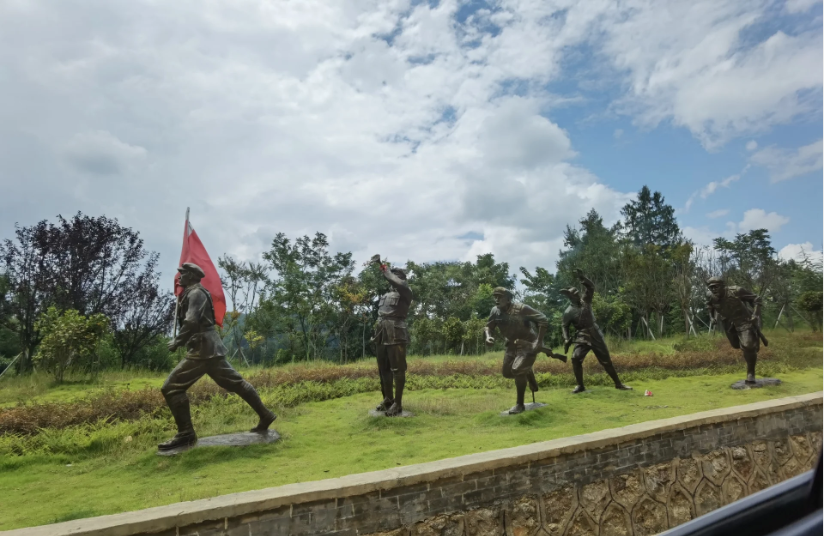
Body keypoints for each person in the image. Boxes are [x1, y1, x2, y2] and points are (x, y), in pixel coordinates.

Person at [159, 262, 276, 451]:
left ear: (191, 276)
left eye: (182, 274)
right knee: (235, 382)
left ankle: (186, 434)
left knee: (171, 388)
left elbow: (190, 321)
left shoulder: (196, 293)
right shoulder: (193, 292)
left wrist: (177, 342)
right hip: (207, 348)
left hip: (202, 351)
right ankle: (265, 414)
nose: (179, 277)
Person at [561, 269, 631, 394]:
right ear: (570, 297)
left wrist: (583, 278)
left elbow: (591, 287)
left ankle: (618, 384)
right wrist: (566, 339)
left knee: (606, 360)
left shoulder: (586, 300)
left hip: (595, 333)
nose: (578, 295)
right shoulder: (568, 312)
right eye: (575, 295)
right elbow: (564, 326)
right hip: (582, 336)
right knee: (575, 358)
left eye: (578, 293)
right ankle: (580, 385)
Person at [484, 287, 548, 414]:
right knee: (507, 373)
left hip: (528, 344)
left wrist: (538, 342)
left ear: (508, 298)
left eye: (500, 297)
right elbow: (488, 326)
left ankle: (520, 404)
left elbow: (543, 319)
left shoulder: (522, 309)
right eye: (495, 297)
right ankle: (528, 372)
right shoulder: (495, 311)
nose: (496, 299)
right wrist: (488, 336)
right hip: (511, 344)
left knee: (517, 370)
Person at [369, 255, 413, 417]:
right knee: (383, 368)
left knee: (397, 369)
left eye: (396, 277)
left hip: (396, 331)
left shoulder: (405, 292)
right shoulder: (386, 295)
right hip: (382, 331)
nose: (392, 280)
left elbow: (397, 282)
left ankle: (398, 404)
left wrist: (382, 266)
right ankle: (388, 399)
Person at [706, 276, 765, 385]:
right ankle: (752, 344)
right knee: (736, 345)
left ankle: (750, 373)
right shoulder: (710, 295)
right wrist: (711, 317)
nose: (713, 289)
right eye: (711, 287)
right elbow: (709, 305)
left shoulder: (737, 291)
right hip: (728, 323)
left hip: (744, 320)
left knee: (748, 346)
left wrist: (756, 314)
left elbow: (756, 298)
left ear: (723, 286)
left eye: (716, 287)